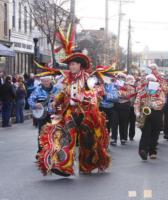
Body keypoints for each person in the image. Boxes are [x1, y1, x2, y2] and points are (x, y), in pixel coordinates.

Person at [35, 27, 111, 176]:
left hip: (87, 114)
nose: (71, 66)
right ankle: (63, 167)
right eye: (70, 65)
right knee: (65, 137)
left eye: (74, 64)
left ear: (80, 66)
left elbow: (98, 91)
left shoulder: (89, 78)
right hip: (70, 112)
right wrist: (56, 102)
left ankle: (88, 165)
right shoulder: (67, 80)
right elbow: (64, 94)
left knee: (88, 142)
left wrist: (87, 97)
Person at [134, 74, 166, 160]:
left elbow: (162, 101)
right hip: (144, 113)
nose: (150, 82)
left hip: (156, 112)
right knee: (146, 133)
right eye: (149, 80)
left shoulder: (159, 91)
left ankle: (152, 151)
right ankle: (143, 150)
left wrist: (154, 104)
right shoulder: (142, 91)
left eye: (152, 80)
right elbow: (137, 103)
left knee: (155, 133)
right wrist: (137, 113)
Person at [28, 75, 60, 152]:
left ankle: (53, 151)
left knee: (54, 133)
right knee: (41, 133)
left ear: (50, 81)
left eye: (47, 81)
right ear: (41, 82)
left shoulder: (56, 90)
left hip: (54, 115)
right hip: (42, 116)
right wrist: (35, 105)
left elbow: (62, 101)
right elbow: (30, 100)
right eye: (44, 81)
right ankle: (41, 152)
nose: (46, 82)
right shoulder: (37, 90)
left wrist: (56, 100)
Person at [111, 72, 136, 146]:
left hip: (125, 105)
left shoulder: (129, 86)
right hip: (115, 105)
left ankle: (123, 138)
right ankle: (114, 138)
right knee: (114, 123)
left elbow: (129, 95)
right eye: (118, 77)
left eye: (122, 78)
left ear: (125, 79)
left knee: (124, 123)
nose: (120, 79)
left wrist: (121, 91)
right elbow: (110, 94)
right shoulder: (113, 85)